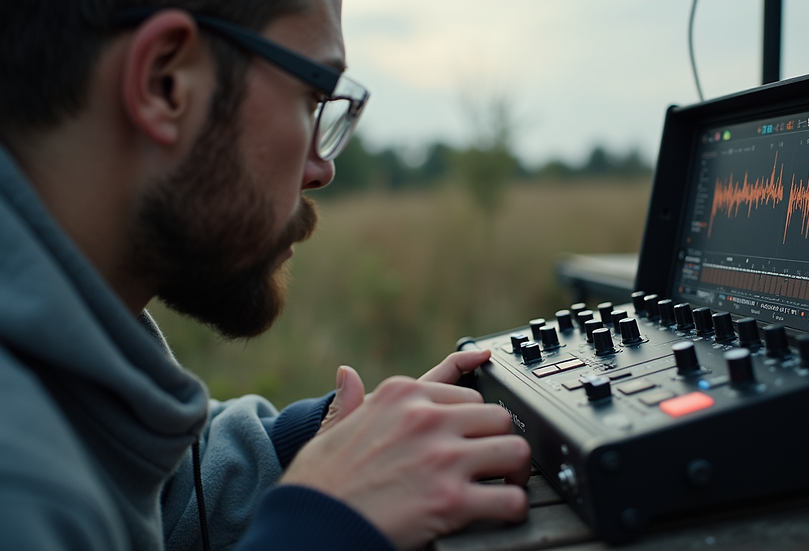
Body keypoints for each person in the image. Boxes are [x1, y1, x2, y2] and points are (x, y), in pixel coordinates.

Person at [0, 0, 531, 549]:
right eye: (312, 96)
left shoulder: (66, 367)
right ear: (164, 83)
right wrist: (319, 526)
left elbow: (160, 489)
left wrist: (312, 449)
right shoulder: (21, 486)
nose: (321, 169)